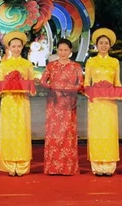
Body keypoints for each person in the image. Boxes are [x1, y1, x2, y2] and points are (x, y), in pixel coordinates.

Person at [39, 38, 83, 175]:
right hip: (54, 103)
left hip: (69, 104)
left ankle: (68, 168)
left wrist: (69, 88)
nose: (63, 52)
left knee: (68, 134)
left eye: (66, 50)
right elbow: (42, 81)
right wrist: (52, 86)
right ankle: (52, 168)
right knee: (54, 134)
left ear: (71, 51)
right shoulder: (51, 66)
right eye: (60, 50)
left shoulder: (76, 67)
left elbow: (81, 84)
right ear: (57, 50)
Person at [84, 28, 122, 177]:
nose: (104, 45)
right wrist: (91, 90)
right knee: (96, 131)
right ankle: (97, 165)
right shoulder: (91, 61)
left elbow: (117, 82)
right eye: (101, 43)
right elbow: (87, 82)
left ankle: (109, 165)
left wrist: (120, 92)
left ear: (110, 45)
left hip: (109, 103)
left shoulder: (114, 62)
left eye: (106, 43)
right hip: (95, 103)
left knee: (109, 131)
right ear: (96, 44)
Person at [0, 31, 36, 177]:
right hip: (8, 102)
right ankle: (9, 165)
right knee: (9, 131)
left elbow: (31, 85)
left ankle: (22, 165)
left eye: (19, 46)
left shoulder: (27, 64)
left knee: (22, 131)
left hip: (22, 102)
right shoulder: (4, 65)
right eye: (14, 46)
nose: (16, 49)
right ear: (9, 47)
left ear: (22, 47)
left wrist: (23, 85)